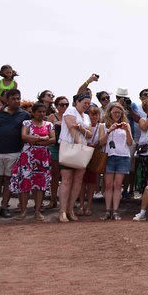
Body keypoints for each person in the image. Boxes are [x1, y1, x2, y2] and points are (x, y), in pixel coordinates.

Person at [0, 88, 31, 219]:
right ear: (7, 100)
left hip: (14, 152)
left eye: (18, 98)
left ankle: (4, 207)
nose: (16, 101)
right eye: (13, 98)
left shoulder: (25, 115)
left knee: (9, 180)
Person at [8, 102, 55, 221]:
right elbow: (24, 136)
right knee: (25, 183)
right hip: (28, 156)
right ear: (33, 112)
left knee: (40, 185)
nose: (41, 114)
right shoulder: (27, 123)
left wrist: (36, 141)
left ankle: (37, 211)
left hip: (42, 157)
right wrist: (41, 138)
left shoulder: (49, 124)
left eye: (43, 112)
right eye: (39, 111)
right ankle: (23, 211)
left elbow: (53, 139)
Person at [57, 93, 92, 223]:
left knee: (78, 180)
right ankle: (62, 211)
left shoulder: (87, 116)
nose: (86, 105)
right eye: (85, 102)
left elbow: (89, 134)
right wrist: (78, 143)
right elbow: (71, 127)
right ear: (77, 101)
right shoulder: (70, 110)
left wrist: (82, 130)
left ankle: (70, 209)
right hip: (70, 147)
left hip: (82, 149)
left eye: (88, 103)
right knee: (66, 179)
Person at [97, 102, 132, 220]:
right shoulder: (103, 125)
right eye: (115, 112)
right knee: (108, 185)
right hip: (109, 156)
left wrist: (127, 130)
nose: (117, 114)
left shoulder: (126, 124)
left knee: (118, 185)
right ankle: (108, 211)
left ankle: (115, 211)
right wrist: (109, 131)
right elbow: (101, 142)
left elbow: (130, 143)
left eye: (119, 112)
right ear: (109, 112)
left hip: (123, 156)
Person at [78, 105, 105, 216]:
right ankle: (80, 206)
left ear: (99, 115)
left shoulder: (102, 126)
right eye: (91, 114)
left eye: (96, 114)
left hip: (95, 155)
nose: (93, 116)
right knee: (82, 182)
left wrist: (94, 145)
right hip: (83, 153)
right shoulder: (85, 124)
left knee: (92, 182)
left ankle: (89, 206)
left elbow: (103, 141)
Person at [46, 96, 69, 208]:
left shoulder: (70, 116)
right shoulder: (52, 116)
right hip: (54, 147)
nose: (64, 106)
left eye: (66, 104)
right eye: (61, 104)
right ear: (56, 106)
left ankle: (65, 201)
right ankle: (53, 199)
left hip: (67, 147)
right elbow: (46, 131)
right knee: (55, 175)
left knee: (66, 176)